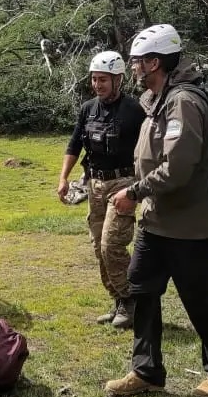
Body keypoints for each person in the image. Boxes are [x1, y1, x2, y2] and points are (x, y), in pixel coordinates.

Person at [105, 24, 208, 397]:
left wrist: (134, 191)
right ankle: (146, 370)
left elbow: (179, 167)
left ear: (153, 62)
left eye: (137, 62)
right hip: (157, 220)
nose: (133, 68)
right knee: (142, 287)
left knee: (201, 298)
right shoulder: (158, 98)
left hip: (190, 224)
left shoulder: (183, 101)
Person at [57, 51, 145, 329]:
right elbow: (74, 145)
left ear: (118, 79)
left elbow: (149, 148)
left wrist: (141, 188)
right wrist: (63, 179)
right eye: (94, 79)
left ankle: (133, 302)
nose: (97, 84)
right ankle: (118, 300)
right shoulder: (88, 109)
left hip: (123, 183)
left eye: (103, 79)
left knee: (112, 245)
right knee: (99, 248)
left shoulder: (135, 109)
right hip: (94, 185)